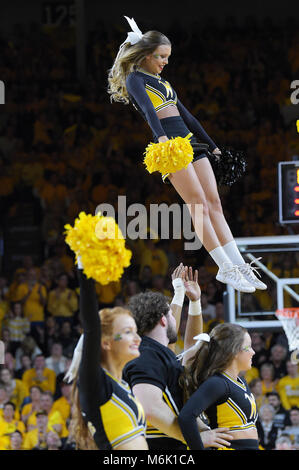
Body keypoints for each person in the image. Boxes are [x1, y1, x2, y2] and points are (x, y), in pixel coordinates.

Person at [108, 16, 267, 294]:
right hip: (170, 145)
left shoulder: (163, 81)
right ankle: (225, 267)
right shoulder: (136, 78)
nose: (166, 61)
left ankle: (240, 266)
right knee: (198, 205)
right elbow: (148, 111)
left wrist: (213, 144)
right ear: (145, 55)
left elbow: (189, 117)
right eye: (161, 56)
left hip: (191, 142)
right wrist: (163, 140)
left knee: (214, 202)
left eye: (168, 57)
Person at [123, 265, 232, 450]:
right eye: (171, 315)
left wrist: (191, 298)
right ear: (164, 320)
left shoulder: (156, 353)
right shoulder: (145, 354)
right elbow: (150, 409)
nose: (176, 318)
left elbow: (192, 345)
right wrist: (194, 439)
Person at [64, 258, 148, 450]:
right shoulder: (95, 382)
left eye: (136, 331)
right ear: (106, 343)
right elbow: (92, 326)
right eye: (128, 332)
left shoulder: (123, 384)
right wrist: (84, 269)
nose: (137, 338)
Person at [178, 323, 259, 450]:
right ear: (234, 352)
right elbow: (186, 417)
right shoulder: (218, 383)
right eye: (248, 347)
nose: (253, 352)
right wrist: (198, 445)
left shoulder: (241, 381)